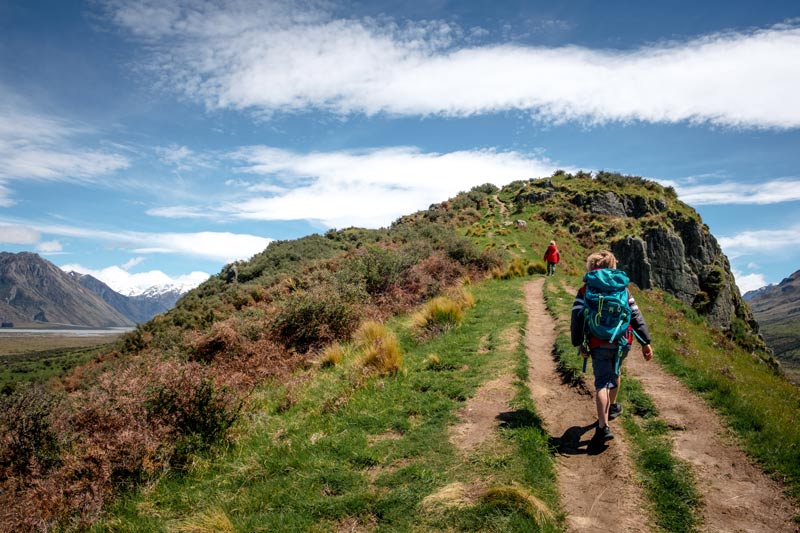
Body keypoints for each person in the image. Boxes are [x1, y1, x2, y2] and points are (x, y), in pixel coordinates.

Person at [570, 250, 654, 442]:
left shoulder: (585, 290)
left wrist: (579, 343)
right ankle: (613, 405)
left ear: (591, 267)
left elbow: (577, 319)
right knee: (615, 372)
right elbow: (635, 316)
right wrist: (646, 343)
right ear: (612, 267)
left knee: (601, 383)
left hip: (597, 342)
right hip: (622, 341)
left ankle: (603, 427)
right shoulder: (623, 290)